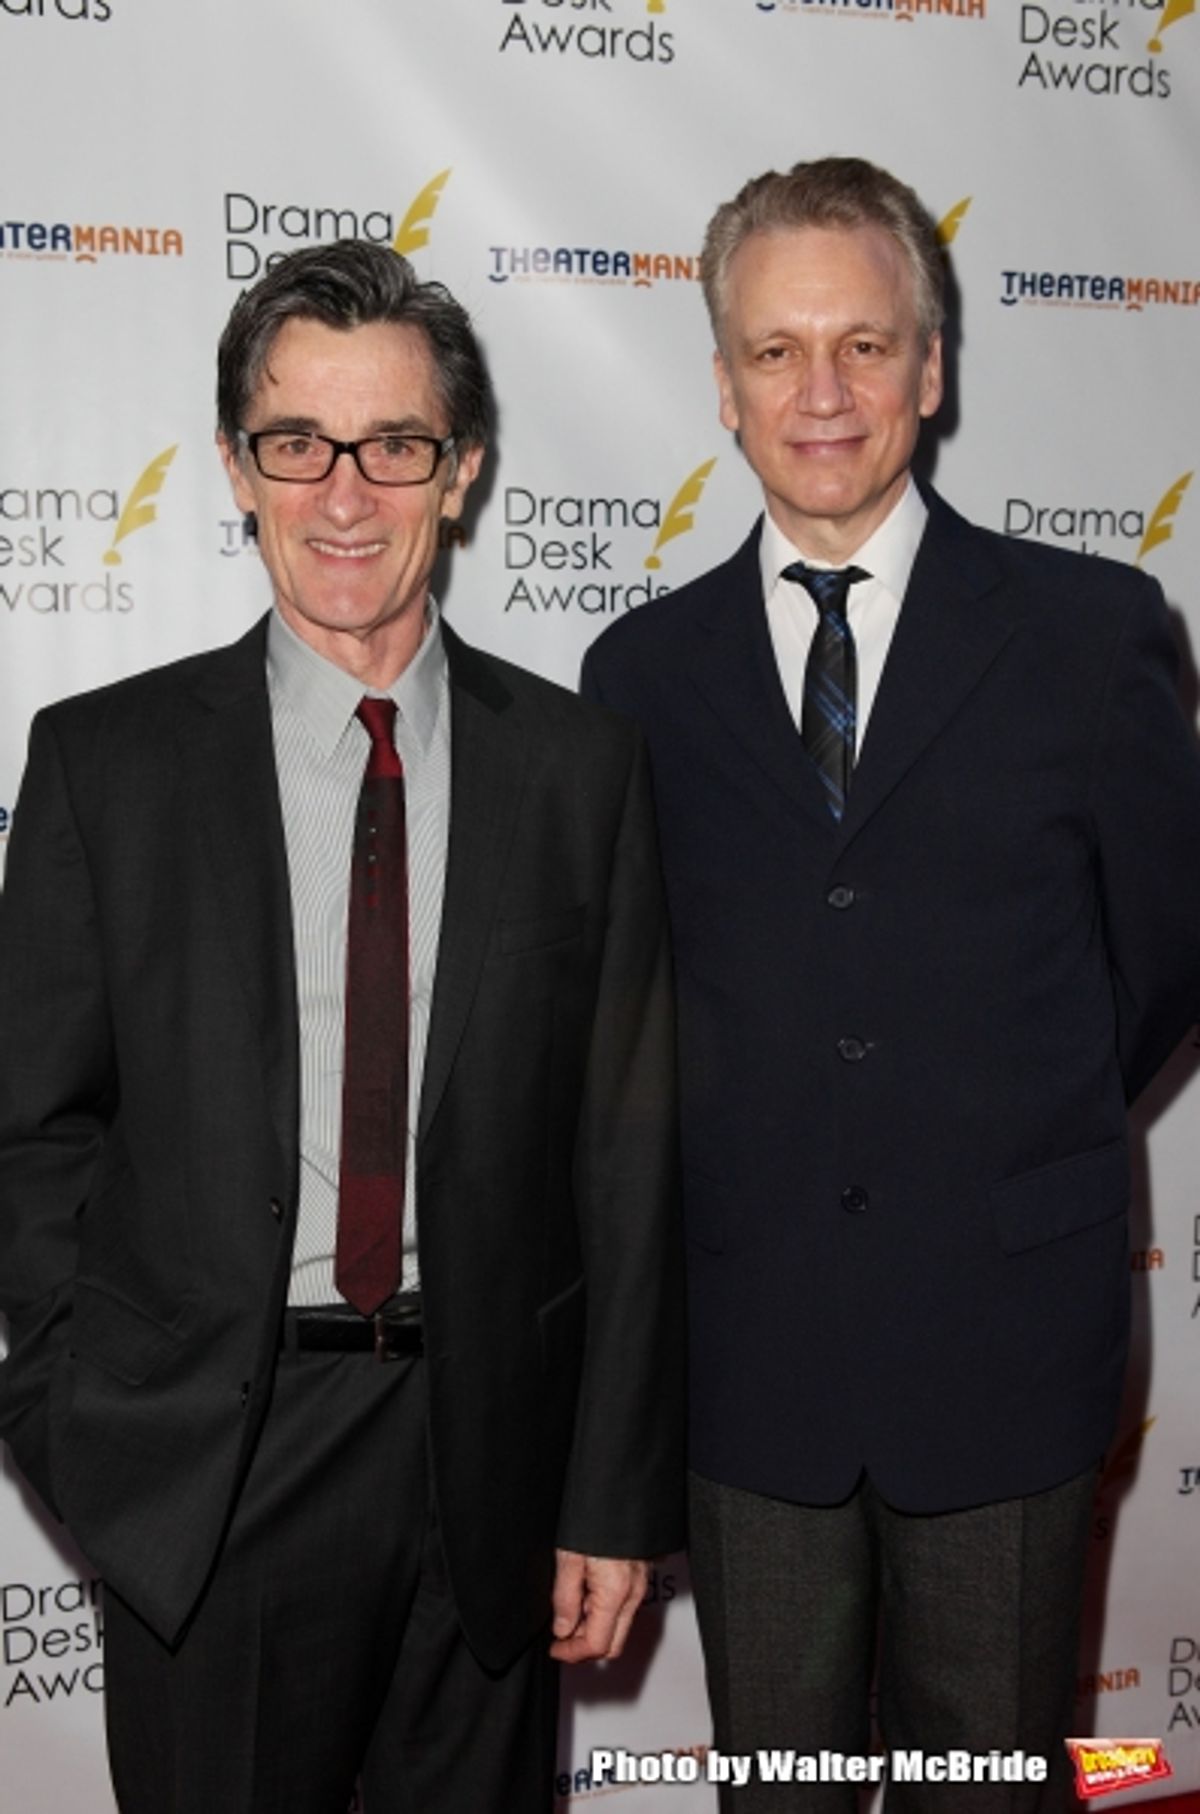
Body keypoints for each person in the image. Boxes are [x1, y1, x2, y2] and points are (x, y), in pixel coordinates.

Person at [0, 239, 683, 1814]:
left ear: (464, 468)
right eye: (299, 442)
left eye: (395, 445)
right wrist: (84, 1422)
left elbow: (628, 1160)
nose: (345, 494)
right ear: (238, 466)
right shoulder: (107, 765)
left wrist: (609, 1490)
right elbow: (28, 1128)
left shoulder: (580, 771)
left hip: (489, 1456)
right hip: (213, 1463)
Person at [582, 157, 1200, 1810]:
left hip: (1008, 1345)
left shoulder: (1094, 633)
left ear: (930, 368)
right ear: (723, 386)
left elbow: (1156, 964)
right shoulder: (635, 679)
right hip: (752, 1359)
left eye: (864, 344)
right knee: (778, 1788)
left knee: (983, 1785)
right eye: (777, 351)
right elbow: (633, 1024)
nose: (824, 392)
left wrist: (995, 1123)